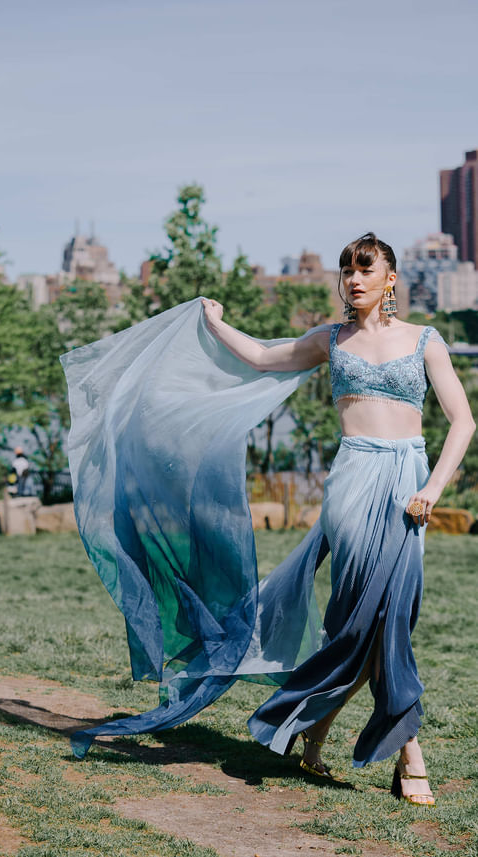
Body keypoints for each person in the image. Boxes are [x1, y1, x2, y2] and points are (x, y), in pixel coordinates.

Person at [60, 233, 475, 806]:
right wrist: (214, 323)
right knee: (370, 621)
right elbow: (258, 356)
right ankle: (411, 756)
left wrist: (432, 487)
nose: (354, 280)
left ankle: (313, 733)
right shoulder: (330, 340)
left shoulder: (425, 342)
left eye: (365, 269)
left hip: (410, 485)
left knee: (387, 616)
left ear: (390, 279)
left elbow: (463, 422)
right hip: (355, 481)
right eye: (347, 271)